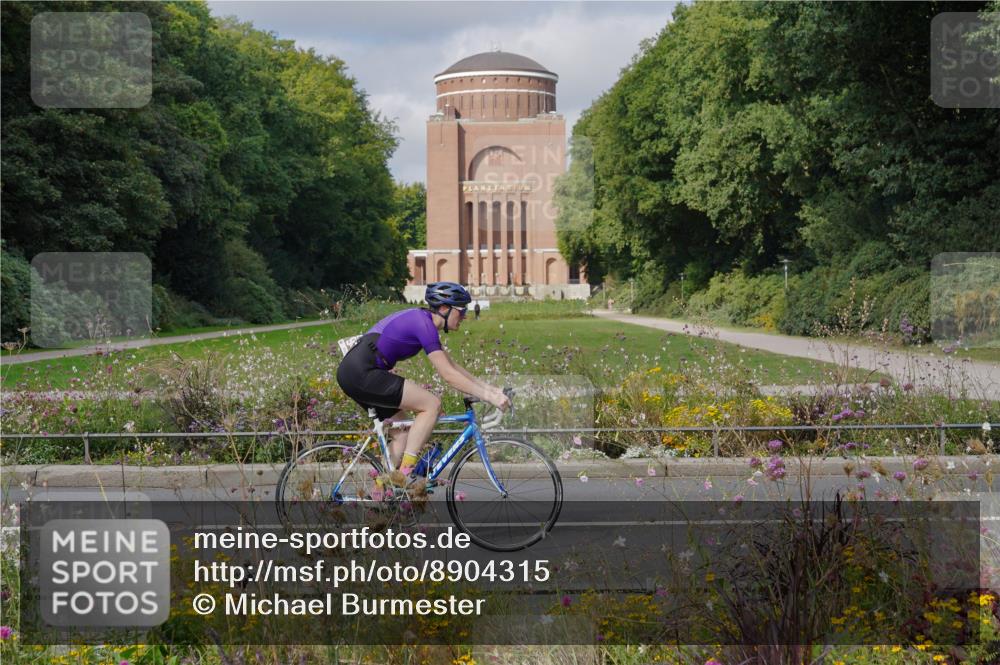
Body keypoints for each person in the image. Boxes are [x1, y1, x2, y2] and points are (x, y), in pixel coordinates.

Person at [336, 282, 510, 477]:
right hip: (362, 372)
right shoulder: (423, 324)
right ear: (444, 309)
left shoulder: (424, 321)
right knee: (431, 404)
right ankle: (405, 475)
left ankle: (382, 494)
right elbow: (448, 376)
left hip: (357, 372)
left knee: (402, 435)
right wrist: (488, 397)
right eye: (461, 311)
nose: (465, 316)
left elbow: (453, 367)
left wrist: (491, 390)